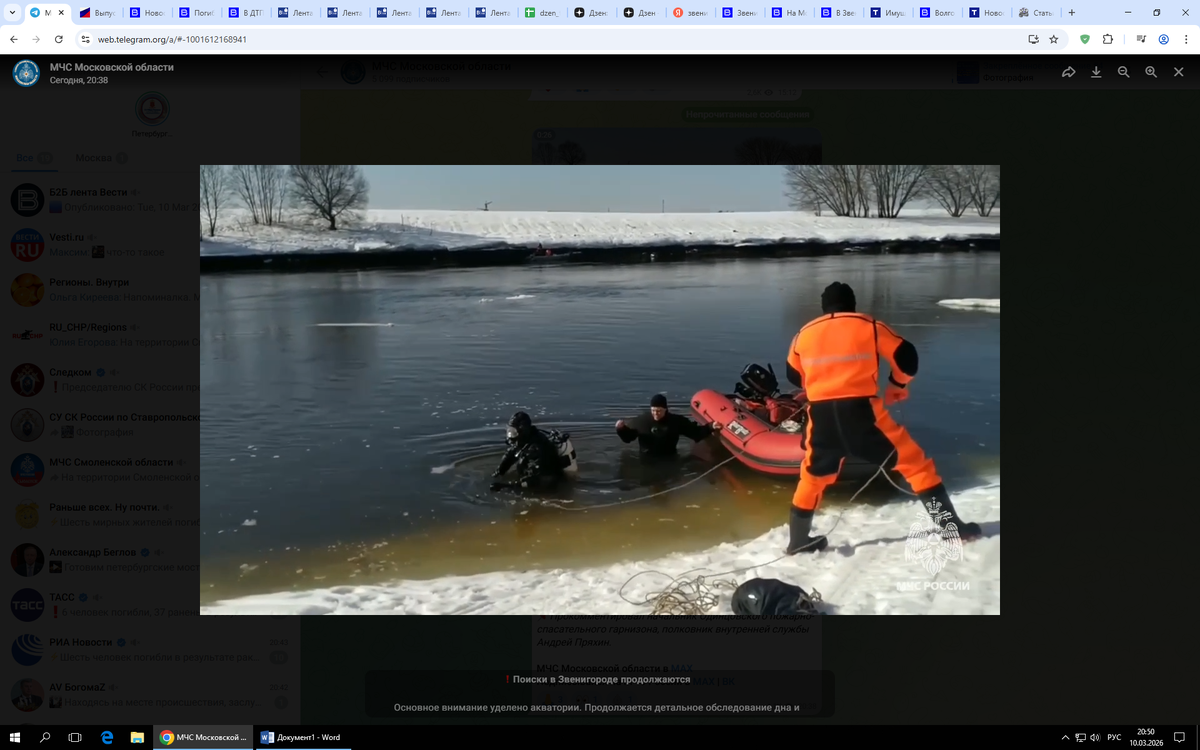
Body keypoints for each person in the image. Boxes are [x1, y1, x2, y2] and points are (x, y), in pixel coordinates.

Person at [782, 282, 982, 554]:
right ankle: (951, 528)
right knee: (917, 467)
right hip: (863, 414)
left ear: (824, 307)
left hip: (822, 416)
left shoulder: (802, 334)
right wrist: (897, 385)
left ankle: (798, 541)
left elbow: (794, 376)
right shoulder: (870, 325)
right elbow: (906, 356)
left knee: (813, 478)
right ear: (852, 304)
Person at [490, 411, 575, 492]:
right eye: (509, 431)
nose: (510, 436)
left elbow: (537, 480)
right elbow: (510, 456)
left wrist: (508, 487)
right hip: (534, 478)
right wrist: (498, 473)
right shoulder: (522, 442)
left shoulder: (538, 448)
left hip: (549, 487)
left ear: (522, 430)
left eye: (513, 432)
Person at [615, 394, 723, 457]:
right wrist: (621, 429)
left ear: (665, 409)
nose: (656, 414)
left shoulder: (675, 421)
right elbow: (628, 438)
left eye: (659, 411)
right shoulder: (642, 421)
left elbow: (695, 432)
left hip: (669, 458)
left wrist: (710, 426)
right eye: (653, 410)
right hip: (646, 460)